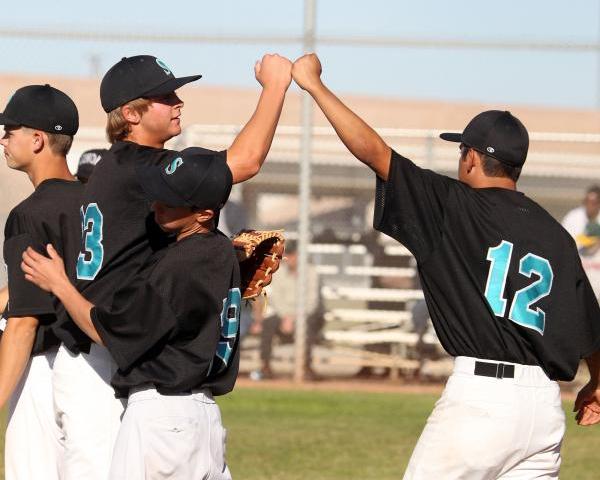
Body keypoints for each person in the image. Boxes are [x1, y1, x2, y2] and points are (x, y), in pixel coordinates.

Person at [291, 53, 600, 478]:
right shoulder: (556, 235)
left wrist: (314, 86)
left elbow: (375, 153)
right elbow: (588, 324)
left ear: (471, 157)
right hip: (544, 409)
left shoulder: (452, 204)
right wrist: (597, 384)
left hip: (481, 401)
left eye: (462, 150)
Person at [46, 53, 292, 479]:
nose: (178, 101)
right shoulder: (141, 168)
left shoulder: (120, 166)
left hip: (120, 345)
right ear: (130, 113)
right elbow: (243, 163)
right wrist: (275, 87)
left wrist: (219, 260)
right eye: (163, 96)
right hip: (106, 348)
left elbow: (158, 250)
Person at [22, 149, 239, 479]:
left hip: (163, 421)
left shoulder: (178, 266)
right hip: (204, 418)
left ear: (204, 213)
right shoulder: (222, 249)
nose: (156, 205)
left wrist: (60, 284)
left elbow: (106, 333)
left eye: (170, 201)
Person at [0, 85, 83, 480]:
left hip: (43, 369)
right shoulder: (94, 200)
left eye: (10, 129)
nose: (3, 138)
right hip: (100, 365)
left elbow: (25, 320)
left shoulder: (30, 214)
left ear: (37, 139)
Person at [251, 240, 323, 380]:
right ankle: (265, 366)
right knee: (268, 323)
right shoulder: (279, 271)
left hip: (305, 314)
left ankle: (306, 367)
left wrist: (296, 317)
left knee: (310, 323)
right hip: (284, 315)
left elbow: (312, 302)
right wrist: (286, 317)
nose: (289, 258)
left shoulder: (311, 272)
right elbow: (276, 299)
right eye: (287, 255)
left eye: (293, 255)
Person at [562, 185, 600, 298]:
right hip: (580, 277)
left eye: (594, 203)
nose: (590, 206)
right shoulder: (573, 217)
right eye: (587, 202)